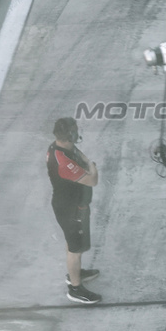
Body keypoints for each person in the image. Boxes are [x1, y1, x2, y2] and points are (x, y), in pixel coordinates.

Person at [47, 118, 102, 305]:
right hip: (70, 209)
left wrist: (86, 162)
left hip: (67, 205)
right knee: (75, 249)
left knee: (73, 244)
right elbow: (92, 180)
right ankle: (75, 288)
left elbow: (78, 154)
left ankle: (75, 273)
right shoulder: (65, 163)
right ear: (70, 135)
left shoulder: (58, 148)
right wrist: (93, 168)